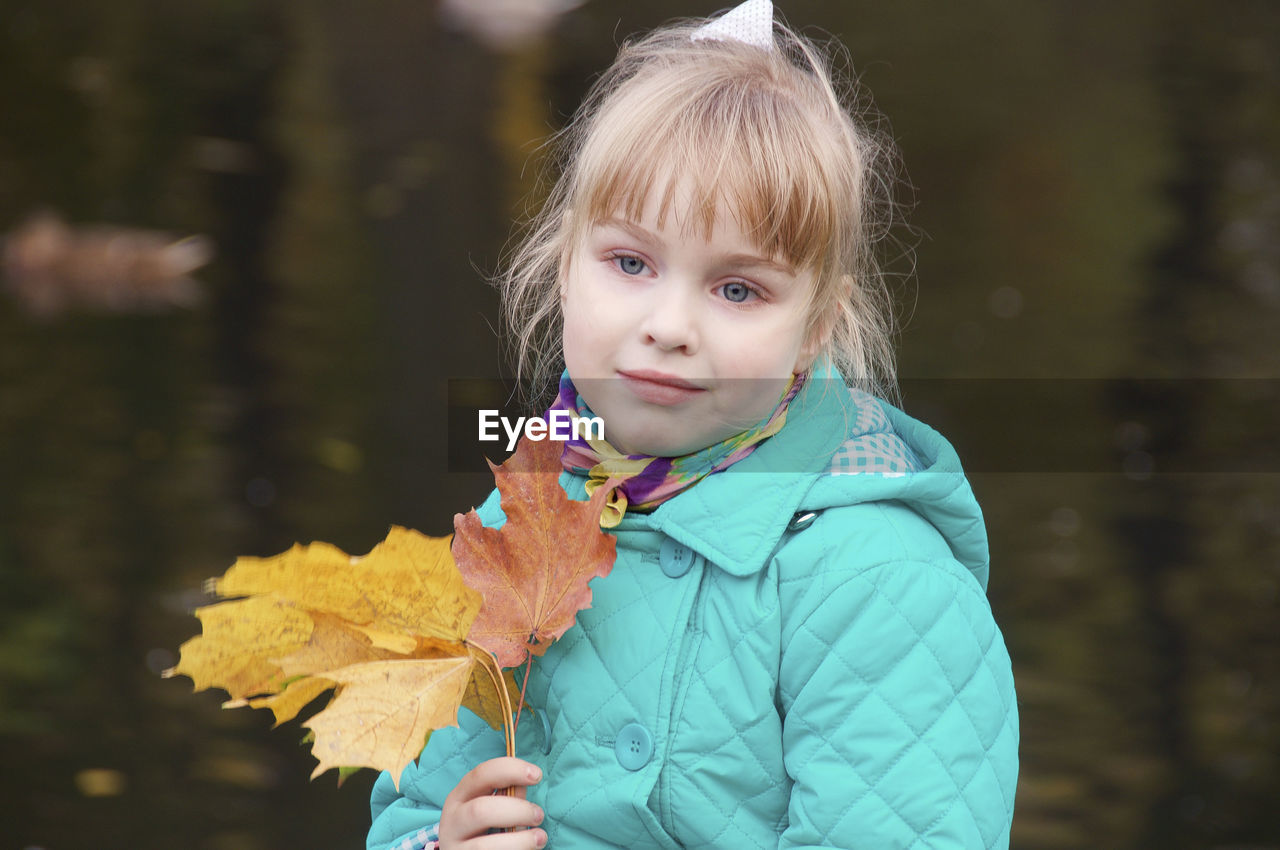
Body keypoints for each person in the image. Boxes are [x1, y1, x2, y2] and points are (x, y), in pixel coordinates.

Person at [368, 1, 1019, 847]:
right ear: (567, 265)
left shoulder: (882, 586)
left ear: (817, 323)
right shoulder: (515, 521)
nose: (670, 325)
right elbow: (412, 809)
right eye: (631, 262)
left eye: (737, 288)